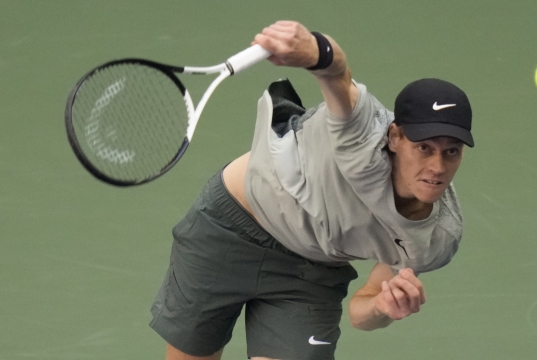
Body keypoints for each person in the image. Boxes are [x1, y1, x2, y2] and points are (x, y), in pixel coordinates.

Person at [150, 20, 474, 360]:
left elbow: (360, 313)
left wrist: (382, 306)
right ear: (394, 137)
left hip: (310, 269)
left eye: (451, 151)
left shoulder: (436, 238)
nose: (438, 167)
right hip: (226, 230)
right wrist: (316, 48)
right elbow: (336, 74)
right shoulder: (362, 134)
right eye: (424, 148)